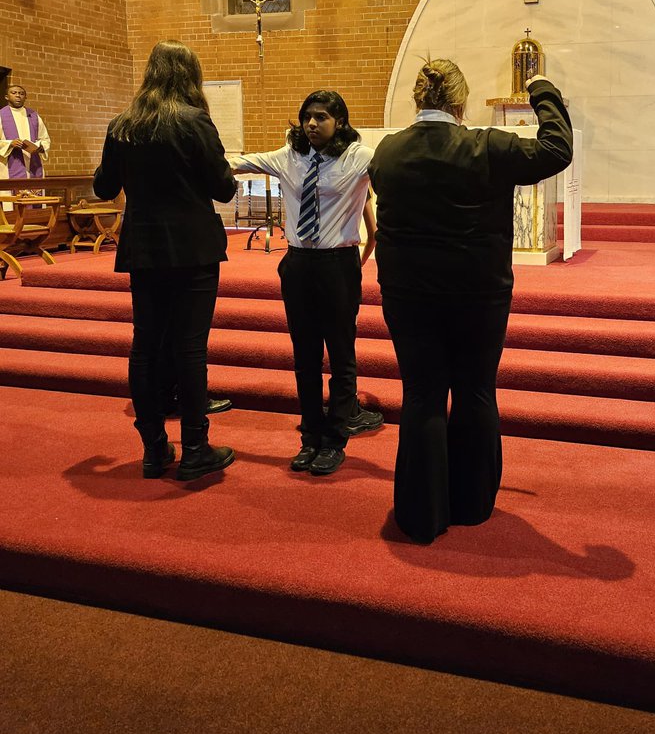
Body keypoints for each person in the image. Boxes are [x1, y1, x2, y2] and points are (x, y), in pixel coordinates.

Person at [368, 59, 572, 544]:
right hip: (477, 293)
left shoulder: (388, 152)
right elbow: (556, 149)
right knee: (476, 391)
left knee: (422, 395)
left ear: (418, 100)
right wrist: (540, 87)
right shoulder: (488, 147)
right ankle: (473, 504)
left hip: (409, 293)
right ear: (460, 104)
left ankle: (422, 512)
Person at [93, 41, 237, 482]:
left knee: (145, 346)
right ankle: (195, 448)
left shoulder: (123, 125)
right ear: (188, 75)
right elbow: (224, 188)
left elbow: (103, 188)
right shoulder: (195, 122)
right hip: (192, 248)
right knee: (189, 347)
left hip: (145, 248)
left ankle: (154, 449)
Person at [229, 90, 383, 476]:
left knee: (341, 354)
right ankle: (310, 436)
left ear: (340, 122)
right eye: (306, 117)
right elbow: (238, 163)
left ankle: (335, 439)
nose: (311, 124)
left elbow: (401, 173)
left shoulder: (359, 158)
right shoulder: (288, 156)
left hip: (337, 265)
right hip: (298, 265)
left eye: (321, 117)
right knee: (305, 357)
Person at [0, 84, 50, 180]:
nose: (18, 95)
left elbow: (45, 138)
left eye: (21, 93)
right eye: (14, 93)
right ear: (6, 97)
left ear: (25, 97)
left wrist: (41, 147)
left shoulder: (34, 116)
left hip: (34, 164)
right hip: (8, 167)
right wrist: (10, 144)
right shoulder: (1, 116)